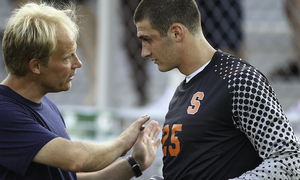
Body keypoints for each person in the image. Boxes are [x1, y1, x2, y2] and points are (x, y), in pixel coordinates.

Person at [133, 0, 300, 179]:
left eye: (148, 40)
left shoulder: (239, 80)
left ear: (176, 33)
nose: (144, 52)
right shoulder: (181, 92)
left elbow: (289, 161)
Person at [0, 1, 161, 180]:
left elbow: (69, 177)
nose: (78, 63)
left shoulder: (45, 104)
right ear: (36, 66)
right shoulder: (4, 113)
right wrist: (123, 142)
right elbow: (77, 159)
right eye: (67, 57)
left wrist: (133, 165)